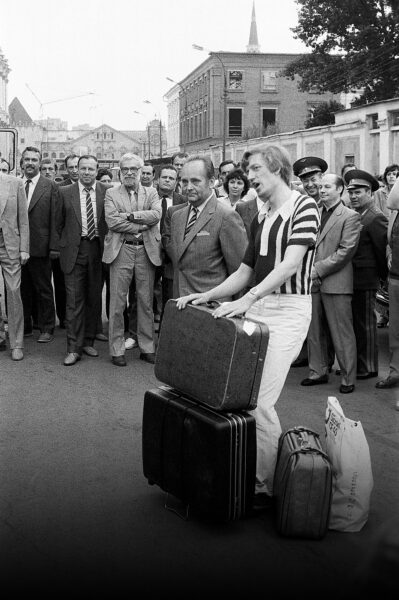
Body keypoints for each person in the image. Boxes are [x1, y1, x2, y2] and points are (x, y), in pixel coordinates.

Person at [175, 145, 320, 505]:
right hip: (260, 306)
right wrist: (207, 295)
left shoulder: (304, 207)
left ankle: (263, 488)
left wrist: (248, 299)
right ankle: (247, 473)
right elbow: (244, 271)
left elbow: (288, 266)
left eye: (255, 169)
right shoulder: (261, 215)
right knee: (241, 395)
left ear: (278, 169)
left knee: (261, 402)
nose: (249, 177)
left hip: (288, 311)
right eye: (247, 170)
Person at [300, 173, 360, 394]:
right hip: (310, 280)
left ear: (340, 190)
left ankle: (347, 377)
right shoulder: (313, 211)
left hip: (335, 281)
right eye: (320, 186)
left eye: (327, 186)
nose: (322, 189)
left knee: (341, 332)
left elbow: (346, 250)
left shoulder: (350, 216)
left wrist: (317, 269)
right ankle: (318, 371)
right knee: (314, 330)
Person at [103, 153, 161, 367]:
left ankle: (147, 347)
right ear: (120, 171)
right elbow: (112, 222)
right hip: (122, 250)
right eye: (125, 169)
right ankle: (117, 349)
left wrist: (129, 216)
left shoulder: (152, 192)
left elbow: (156, 215)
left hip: (146, 250)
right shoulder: (111, 193)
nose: (129, 173)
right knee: (117, 303)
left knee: (145, 302)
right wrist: (140, 224)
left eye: (133, 170)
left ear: (140, 171)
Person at [162, 155, 247, 299]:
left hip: (212, 311)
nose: (188, 187)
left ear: (212, 182)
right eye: (184, 181)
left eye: (195, 181)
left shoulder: (226, 217)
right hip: (180, 306)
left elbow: (240, 274)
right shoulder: (177, 217)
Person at [56, 155, 108, 366]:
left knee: (94, 298)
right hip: (74, 251)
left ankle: (88, 341)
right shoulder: (64, 192)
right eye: (83, 168)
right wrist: (62, 245)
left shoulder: (107, 191)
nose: (86, 172)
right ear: (76, 170)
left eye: (91, 169)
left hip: (98, 249)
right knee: (74, 301)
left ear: (97, 170)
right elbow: (56, 222)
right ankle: (73, 348)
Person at [344, 169, 388, 379]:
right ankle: (359, 363)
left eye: (358, 192)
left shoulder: (375, 217)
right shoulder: (357, 215)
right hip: (353, 279)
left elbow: (381, 252)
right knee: (357, 324)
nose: (353, 196)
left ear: (370, 193)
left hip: (366, 279)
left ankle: (369, 366)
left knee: (366, 325)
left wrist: (381, 279)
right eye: (351, 192)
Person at [291, 155, 329, 368]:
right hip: (304, 270)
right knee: (307, 317)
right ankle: (306, 355)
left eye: (314, 178)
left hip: (325, 270)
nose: (310, 184)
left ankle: (324, 362)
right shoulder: (301, 203)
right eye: (305, 181)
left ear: (322, 177)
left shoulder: (331, 202)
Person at [20, 146, 59, 343]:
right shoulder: (16, 184)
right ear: (22, 161)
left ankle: (47, 327)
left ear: (39, 162)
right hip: (17, 247)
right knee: (22, 288)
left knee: (44, 289)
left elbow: (55, 218)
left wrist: (54, 247)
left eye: (34, 160)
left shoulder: (49, 186)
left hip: (41, 247)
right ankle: (25, 326)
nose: (30, 163)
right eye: (27, 159)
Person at [0, 172, 30, 360]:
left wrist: (24, 248)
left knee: (13, 292)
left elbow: (23, 218)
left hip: (9, 244)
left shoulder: (15, 183)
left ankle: (16, 344)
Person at [376, 177, 399, 388]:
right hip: (395, 278)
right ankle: (395, 372)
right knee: (395, 332)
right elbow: (392, 201)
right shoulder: (395, 212)